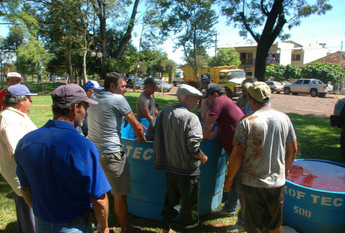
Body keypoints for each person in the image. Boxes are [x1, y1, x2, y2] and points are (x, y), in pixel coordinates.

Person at [14, 84, 113, 233]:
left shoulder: (25, 142)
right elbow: (99, 198)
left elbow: (26, 189)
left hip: (41, 224)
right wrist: (104, 227)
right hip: (75, 226)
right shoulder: (82, 146)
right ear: (75, 108)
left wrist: (43, 213)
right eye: (85, 108)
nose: (85, 113)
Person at [224, 82, 298, 233]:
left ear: (251, 100)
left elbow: (236, 155)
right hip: (276, 182)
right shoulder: (284, 119)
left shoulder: (246, 122)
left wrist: (229, 179)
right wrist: (285, 168)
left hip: (252, 183)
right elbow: (293, 149)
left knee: (253, 226)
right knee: (275, 223)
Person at [87, 72, 146, 233]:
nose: (125, 89)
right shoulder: (118, 99)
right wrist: (141, 138)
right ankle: (125, 228)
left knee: (99, 193)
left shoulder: (94, 97)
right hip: (112, 154)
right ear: (112, 86)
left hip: (93, 153)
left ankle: (102, 227)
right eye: (123, 86)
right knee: (120, 194)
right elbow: (137, 125)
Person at [146, 84, 208, 233]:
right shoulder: (191, 118)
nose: (197, 103)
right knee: (190, 205)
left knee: (171, 200)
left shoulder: (162, 113)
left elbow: (150, 135)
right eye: (195, 100)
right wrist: (202, 156)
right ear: (187, 99)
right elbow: (193, 148)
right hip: (188, 171)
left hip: (169, 169)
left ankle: (166, 228)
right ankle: (189, 228)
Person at [202, 83, 245, 231]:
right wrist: (211, 137)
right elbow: (220, 127)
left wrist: (203, 139)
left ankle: (244, 222)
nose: (207, 101)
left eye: (208, 97)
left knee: (240, 183)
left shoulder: (219, 101)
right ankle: (230, 208)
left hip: (240, 150)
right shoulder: (226, 102)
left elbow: (208, 124)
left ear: (215, 94)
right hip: (235, 148)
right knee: (233, 178)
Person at [0, 85, 37, 233]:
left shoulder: (14, 116)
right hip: (25, 179)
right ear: (21, 101)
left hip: (23, 178)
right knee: (32, 219)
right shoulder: (11, 120)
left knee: (26, 217)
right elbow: (17, 153)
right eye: (29, 98)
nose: (31, 102)